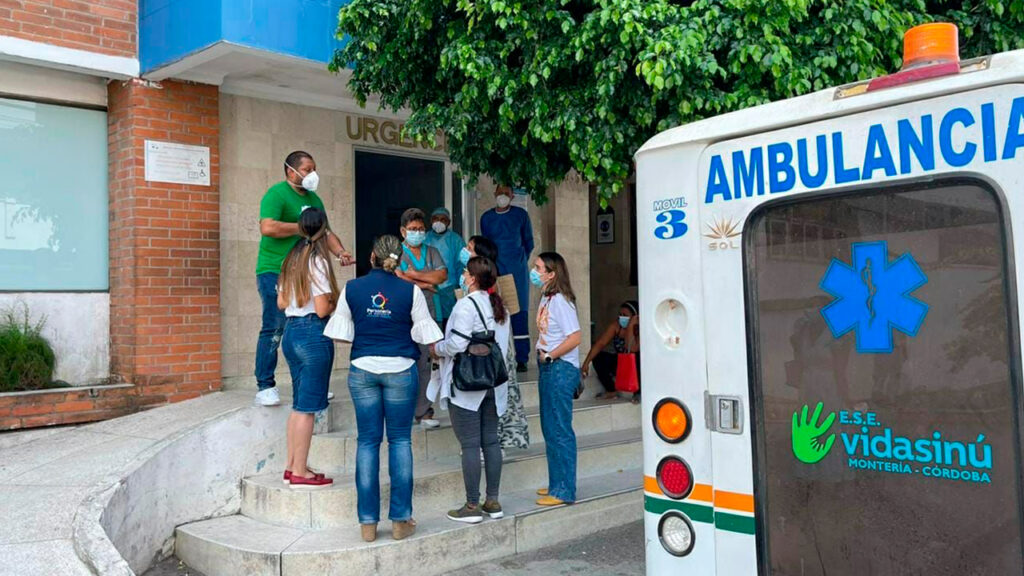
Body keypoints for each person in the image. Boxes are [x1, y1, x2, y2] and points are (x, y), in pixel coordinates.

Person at [324, 235, 443, 543]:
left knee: (367, 443)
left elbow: (340, 334)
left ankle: (367, 524)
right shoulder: (411, 290)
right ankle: (401, 521)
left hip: (363, 369)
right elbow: (426, 333)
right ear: (399, 260)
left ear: (371, 257)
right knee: (400, 441)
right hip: (401, 369)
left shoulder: (352, 288)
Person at [255, 150, 352, 407]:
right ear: (291, 170)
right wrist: (303, 227)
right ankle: (265, 385)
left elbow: (325, 231)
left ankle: (313, 384)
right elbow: (268, 227)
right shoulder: (276, 194)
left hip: (305, 267)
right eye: (308, 169)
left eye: (314, 168)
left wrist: (341, 252)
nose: (312, 174)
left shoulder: (315, 198)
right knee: (275, 325)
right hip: (275, 269)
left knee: (314, 322)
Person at [429, 257, 509, 524]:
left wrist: (436, 349)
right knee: (491, 442)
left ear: (473, 278)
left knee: (471, 445)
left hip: (467, 386)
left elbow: (457, 345)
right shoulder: (499, 307)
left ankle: (472, 505)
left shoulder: (466, 306)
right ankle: (493, 500)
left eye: (465, 272)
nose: (462, 275)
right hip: (493, 384)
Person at [277, 207, 338, 490]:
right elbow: (324, 307)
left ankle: (293, 466)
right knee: (307, 408)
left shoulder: (291, 257)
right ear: (323, 229)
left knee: (298, 405)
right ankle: (300, 472)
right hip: (313, 332)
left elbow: (280, 303)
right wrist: (337, 302)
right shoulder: (318, 260)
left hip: (291, 331)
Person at [465, 236, 530, 451]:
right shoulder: (472, 280)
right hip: (496, 347)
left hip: (490, 348)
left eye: (470, 248)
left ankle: (493, 442)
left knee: (492, 394)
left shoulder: (492, 285)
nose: (465, 250)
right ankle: (494, 443)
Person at [531, 252, 581, 506]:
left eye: (539, 267)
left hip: (559, 368)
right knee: (550, 428)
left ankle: (564, 490)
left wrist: (550, 356)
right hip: (549, 367)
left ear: (552, 274)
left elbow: (575, 337)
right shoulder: (547, 298)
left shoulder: (561, 301)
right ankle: (556, 483)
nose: (534, 270)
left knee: (559, 429)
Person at [396, 208, 448, 428]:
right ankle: (402, 411)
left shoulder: (432, 251)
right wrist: (426, 284)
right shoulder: (396, 252)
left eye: (420, 229)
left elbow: (442, 275)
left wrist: (413, 275)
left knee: (427, 363)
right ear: (403, 231)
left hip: (432, 314)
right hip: (405, 315)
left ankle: (424, 411)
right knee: (406, 363)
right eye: (412, 229)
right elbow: (396, 278)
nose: (417, 232)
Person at [480, 185, 535, 373]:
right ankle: (496, 354)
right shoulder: (487, 218)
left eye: (506, 193)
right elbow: (485, 245)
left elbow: (529, 243)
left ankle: (522, 358)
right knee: (494, 312)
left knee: (519, 314)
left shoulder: (520, 215)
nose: (502, 196)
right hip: (495, 271)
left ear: (512, 196)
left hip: (517, 272)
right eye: (499, 193)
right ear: (494, 194)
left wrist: (517, 263)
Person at [581, 301, 641, 403]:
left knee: (638, 358)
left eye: (625, 315)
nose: (621, 317)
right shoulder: (616, 326)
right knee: (599, 357)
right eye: (620, 314)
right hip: (622, 362)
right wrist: (586, 362)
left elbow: (632, 348)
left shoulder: (639, 328)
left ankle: (638, 393)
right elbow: (601, 343)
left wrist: (631, 326)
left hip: (636, 364)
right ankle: (611, 390)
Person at [425, 207, 467, 328]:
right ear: (431, 221)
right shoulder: (424, 239)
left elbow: (461, 266)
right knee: (430, 323)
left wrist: (462, 289)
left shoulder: (455, 240)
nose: (439, 222)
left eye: (443, 219)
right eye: (436, 219)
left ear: (448, 222)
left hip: (449, 290)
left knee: (449, 324)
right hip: (428, 288)